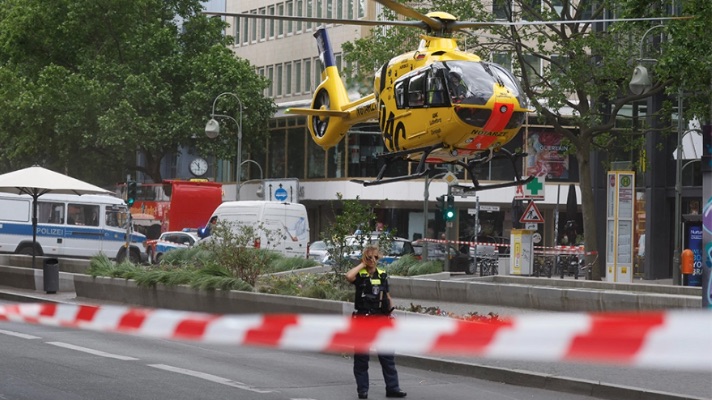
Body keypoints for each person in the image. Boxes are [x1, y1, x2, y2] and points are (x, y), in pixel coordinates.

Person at [345, 244, 407, 400]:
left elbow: (387, 295)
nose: (373, 260)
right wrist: (362, 264)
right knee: (361, 358)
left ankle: (393, 388)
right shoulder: (360, 275)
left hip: (380, 319)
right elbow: (348, 276)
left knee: (387, 356)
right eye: (369, 257)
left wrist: (393, 313)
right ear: (365, 258)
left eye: (376, 257)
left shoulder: (382, 275)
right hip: (363, 319)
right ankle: (363, 390)